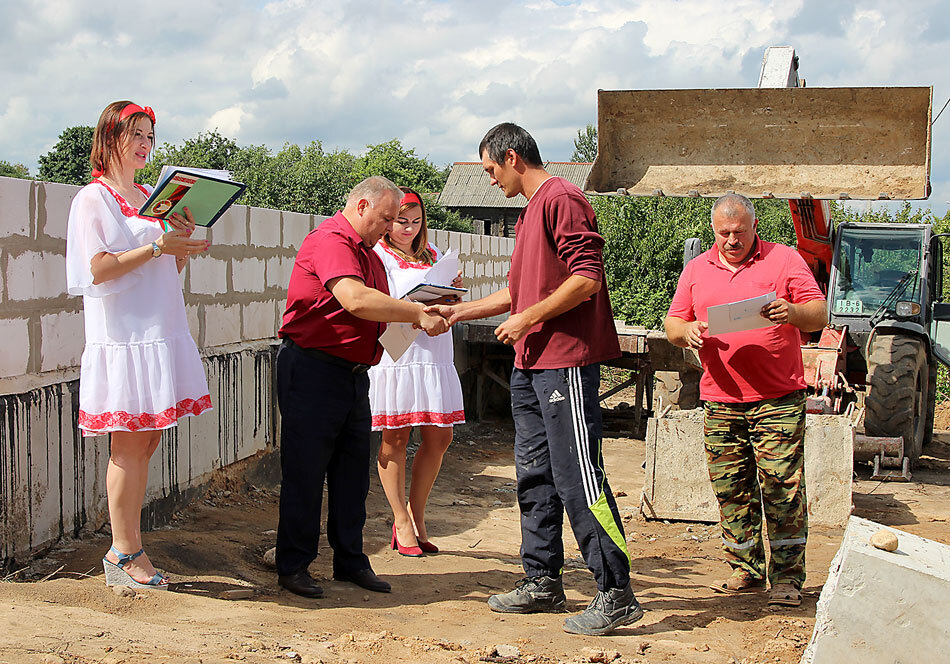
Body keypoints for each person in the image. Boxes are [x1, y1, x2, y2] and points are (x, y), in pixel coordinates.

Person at [428, 123, 641, 636]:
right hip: (531, 363)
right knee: (534, 474)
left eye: (491, 169)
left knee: (579, 476)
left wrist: (528, 319)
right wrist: (458, 312)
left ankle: (617, 592)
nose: (490, 180)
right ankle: (542, 579)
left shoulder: (562, 199)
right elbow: (517, 293)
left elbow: (587, 278)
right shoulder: (528, 214)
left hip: (564, 361)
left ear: (512, 157)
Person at [275, 176, 449, 599]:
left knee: (352, 475)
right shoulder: (331, 240)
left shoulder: (368, 254)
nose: (390, 227)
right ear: (362, 206)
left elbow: (378, 313)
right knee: (306, 472)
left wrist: (422, 315)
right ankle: (294, 565)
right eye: (386, 218)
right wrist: (416, 312)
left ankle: (350, 560)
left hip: (353, 374)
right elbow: (354, 299)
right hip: (313, 370)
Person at [65, 101, 211, 590]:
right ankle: (124, 552)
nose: (146, 145)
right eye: (137, 135)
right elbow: (98, 268)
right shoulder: (93, 199)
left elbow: (167, 266)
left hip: (158, 330)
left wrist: (180, 244)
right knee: (128, 443)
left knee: (147, 440)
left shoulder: (151, 196)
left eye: (151, 136)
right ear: (110, 138)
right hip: (124, 337)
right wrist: (157, 245)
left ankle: (128, 548)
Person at [664, 193, 827, 607]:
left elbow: (819, 313)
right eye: (724, 233)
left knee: (781, 488)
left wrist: (792, 312)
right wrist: (687, 332)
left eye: (739, 232)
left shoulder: (784, 260)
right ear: (713, 230)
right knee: (731, 487)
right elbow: (673, 323)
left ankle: (787, 578)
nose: (732, 240)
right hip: (721, 400)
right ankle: (746, 569)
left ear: (754, 227)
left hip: (777, 399)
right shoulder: (697, 269)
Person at [369, 186, 465, 557]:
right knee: (395, 437)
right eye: (400, 221)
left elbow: (446, 300)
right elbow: (378, 303)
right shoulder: (378, 255)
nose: (408, 228)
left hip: (435, 352)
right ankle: (401, 520)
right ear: (387, 221)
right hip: (399, 353)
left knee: (440, 436)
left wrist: (451, 292)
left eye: (415, 221)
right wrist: (414, 304)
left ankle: (417, 512)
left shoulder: (434, 254)